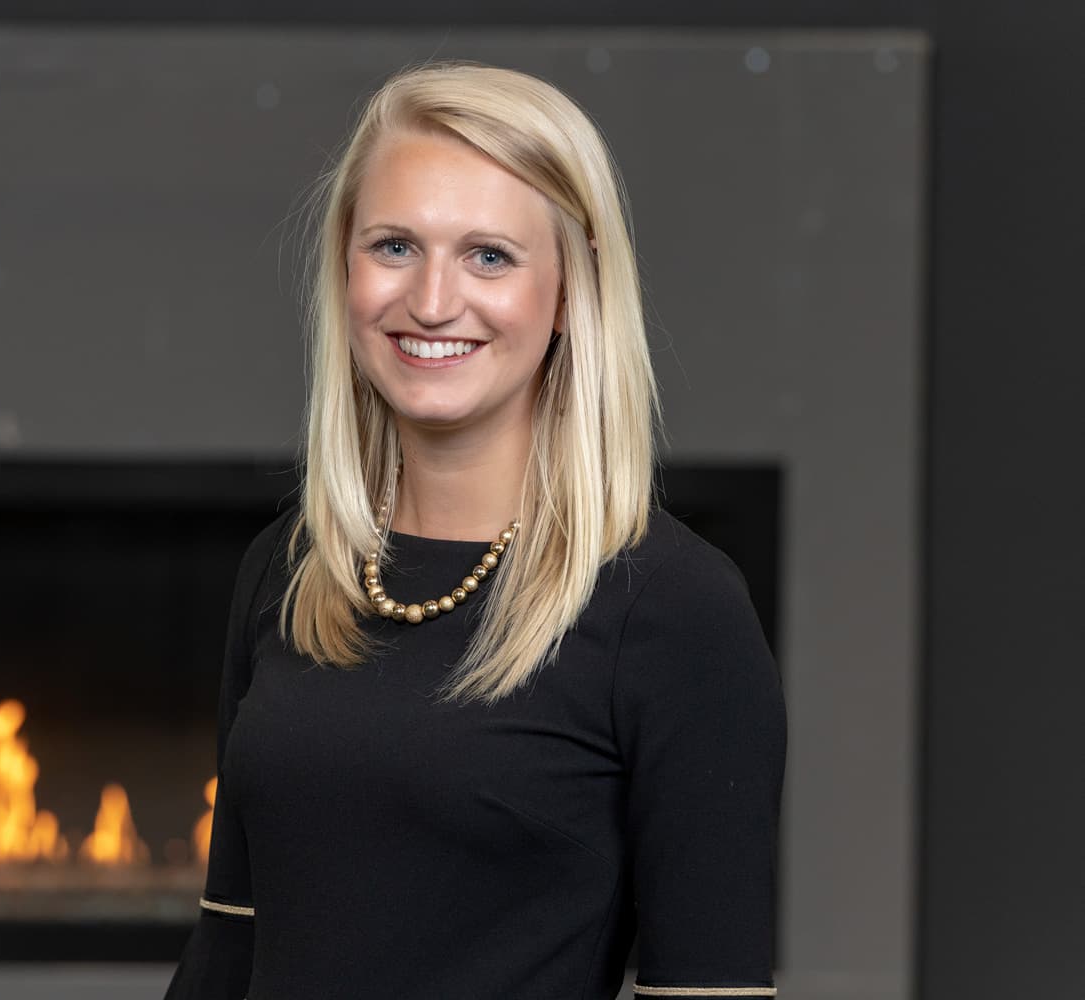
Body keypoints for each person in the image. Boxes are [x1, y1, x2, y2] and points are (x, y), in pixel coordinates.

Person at [165, 61, 785, 1000]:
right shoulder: (291, 572)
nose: (431, 301)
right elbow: (224, 957)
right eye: (393, 247)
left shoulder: (674, 608)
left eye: (489, 255)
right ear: (345, 270)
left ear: (572, 292)